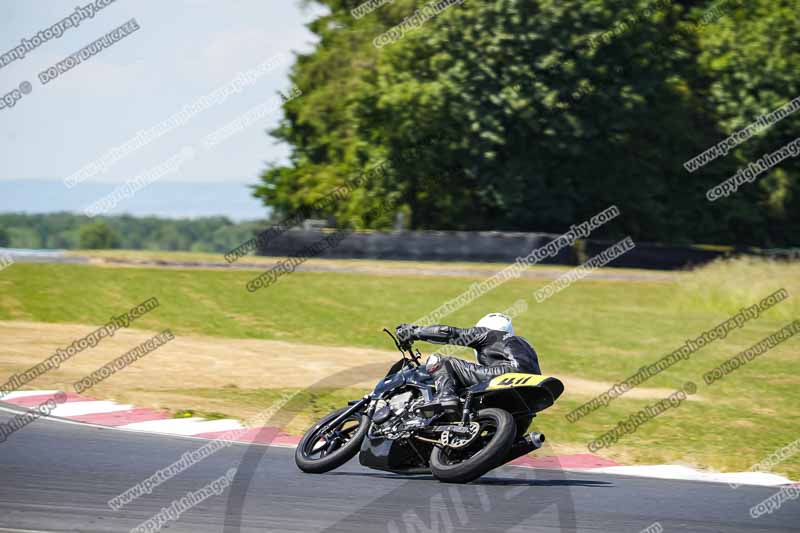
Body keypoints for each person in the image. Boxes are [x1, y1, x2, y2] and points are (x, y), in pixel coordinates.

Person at [395, 313, 541, 410]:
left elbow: (449, 333)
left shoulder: (488, 333)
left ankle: (445, 396)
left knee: (440, 360)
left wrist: (413, 332)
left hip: (507, 374)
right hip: (532, 389)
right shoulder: (525, 344)